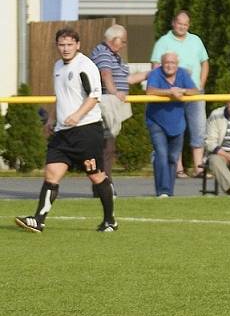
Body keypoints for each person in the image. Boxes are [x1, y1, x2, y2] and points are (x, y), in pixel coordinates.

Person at [14, 28, 118, 233]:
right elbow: (60, 96)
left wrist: (77, 116)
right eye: (62, 45)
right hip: (63, 133)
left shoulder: (85, 65)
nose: (66, 48)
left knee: (96, 176)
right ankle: (38, 220)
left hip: (86, 131)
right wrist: (51, 119)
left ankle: (110, 220)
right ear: (57, 46)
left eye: (70, 44)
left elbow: (94, 96)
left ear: (77, 45)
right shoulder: (58, 66)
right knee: (51, 174)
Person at [151, 10, 209, 178]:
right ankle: (178, 168)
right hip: (171, 94)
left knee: (198, 128)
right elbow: (155, 67)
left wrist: (201, 85)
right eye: (179, 23)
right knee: (175, 128)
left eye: (185, 24)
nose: (182, 27)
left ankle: (199, 167)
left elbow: (205, 63)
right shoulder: (163, 42)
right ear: (173, 23)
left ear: (188, 25)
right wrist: (163, 88)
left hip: (193, 93)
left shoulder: (196, 40)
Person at [90, 24, 148, 185]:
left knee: (109, 147)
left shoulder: (114, 56)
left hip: (113, 105)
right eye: (123, 41)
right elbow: (105, 74)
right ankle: (103, 184)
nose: (124, 45)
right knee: (106, 148)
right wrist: (115, 93)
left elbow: (126, 79)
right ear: (114, 40)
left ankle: (104, 183)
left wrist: (149, 74)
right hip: (105, 105)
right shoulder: (103, 53)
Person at [145, 52, 198, 197]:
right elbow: (150, 91)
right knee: (161, 154)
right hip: (157, 122)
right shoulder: (156, 74)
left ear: (177, 64)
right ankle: (163, 191)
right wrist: (170, 92)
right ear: (162, 63)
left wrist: (182, 91)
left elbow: (195, 91)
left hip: (177, 123)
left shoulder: (182, 74)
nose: (170, 66)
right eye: (167, 62)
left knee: (172, 157)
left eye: (173, 63)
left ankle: (169, 191)